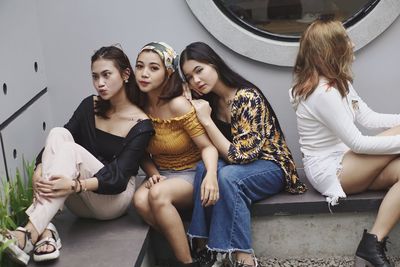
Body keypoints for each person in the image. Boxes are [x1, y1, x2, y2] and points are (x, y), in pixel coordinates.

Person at [0, 45, 154, 265]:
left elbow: (119, 179)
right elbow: (58, 143)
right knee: (58, 133)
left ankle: (28, 234)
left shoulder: (141, 124)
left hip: (112, 201)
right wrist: (39, 170)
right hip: (80, 201)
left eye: (106, 75)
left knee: (71, 149)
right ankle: (45, 233)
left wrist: (74, 185)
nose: (100, 83)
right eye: (95, 76)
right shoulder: (89, 106)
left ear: (125, 74)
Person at [180, 41, 306, 267]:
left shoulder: (247, 97)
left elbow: (238, 156)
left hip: (272, 166)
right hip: (239, 166)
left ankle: (244, 258)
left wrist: (206, 120)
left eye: (199, 70)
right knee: (203, 169)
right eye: (189, 77)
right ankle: (203, 247)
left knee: (229, 177)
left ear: (214, 64)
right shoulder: (210, 102)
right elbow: (212, 152)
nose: (196, 80)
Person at [290, 19, 400, 267]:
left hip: (348, 161)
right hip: (331, 171)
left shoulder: (339, 83)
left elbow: (369, 118)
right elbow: (358, 143)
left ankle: (372, 242)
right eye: (346, 40)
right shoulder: (323, 93)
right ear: (332, 49)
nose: (352, 44)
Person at [132, 42, 218, 267]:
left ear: (167, 72)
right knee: (140, 201)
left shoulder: (178, 104)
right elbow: (139, 151)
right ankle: (190, 249)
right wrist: (152, 173)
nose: (144, 73)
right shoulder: (138, 106)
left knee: (157, 195)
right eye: (140, 66)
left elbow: (207, 147)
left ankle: (186, 262)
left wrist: (210, 175)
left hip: (191, 173)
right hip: (163, 173)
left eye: (153, 68)